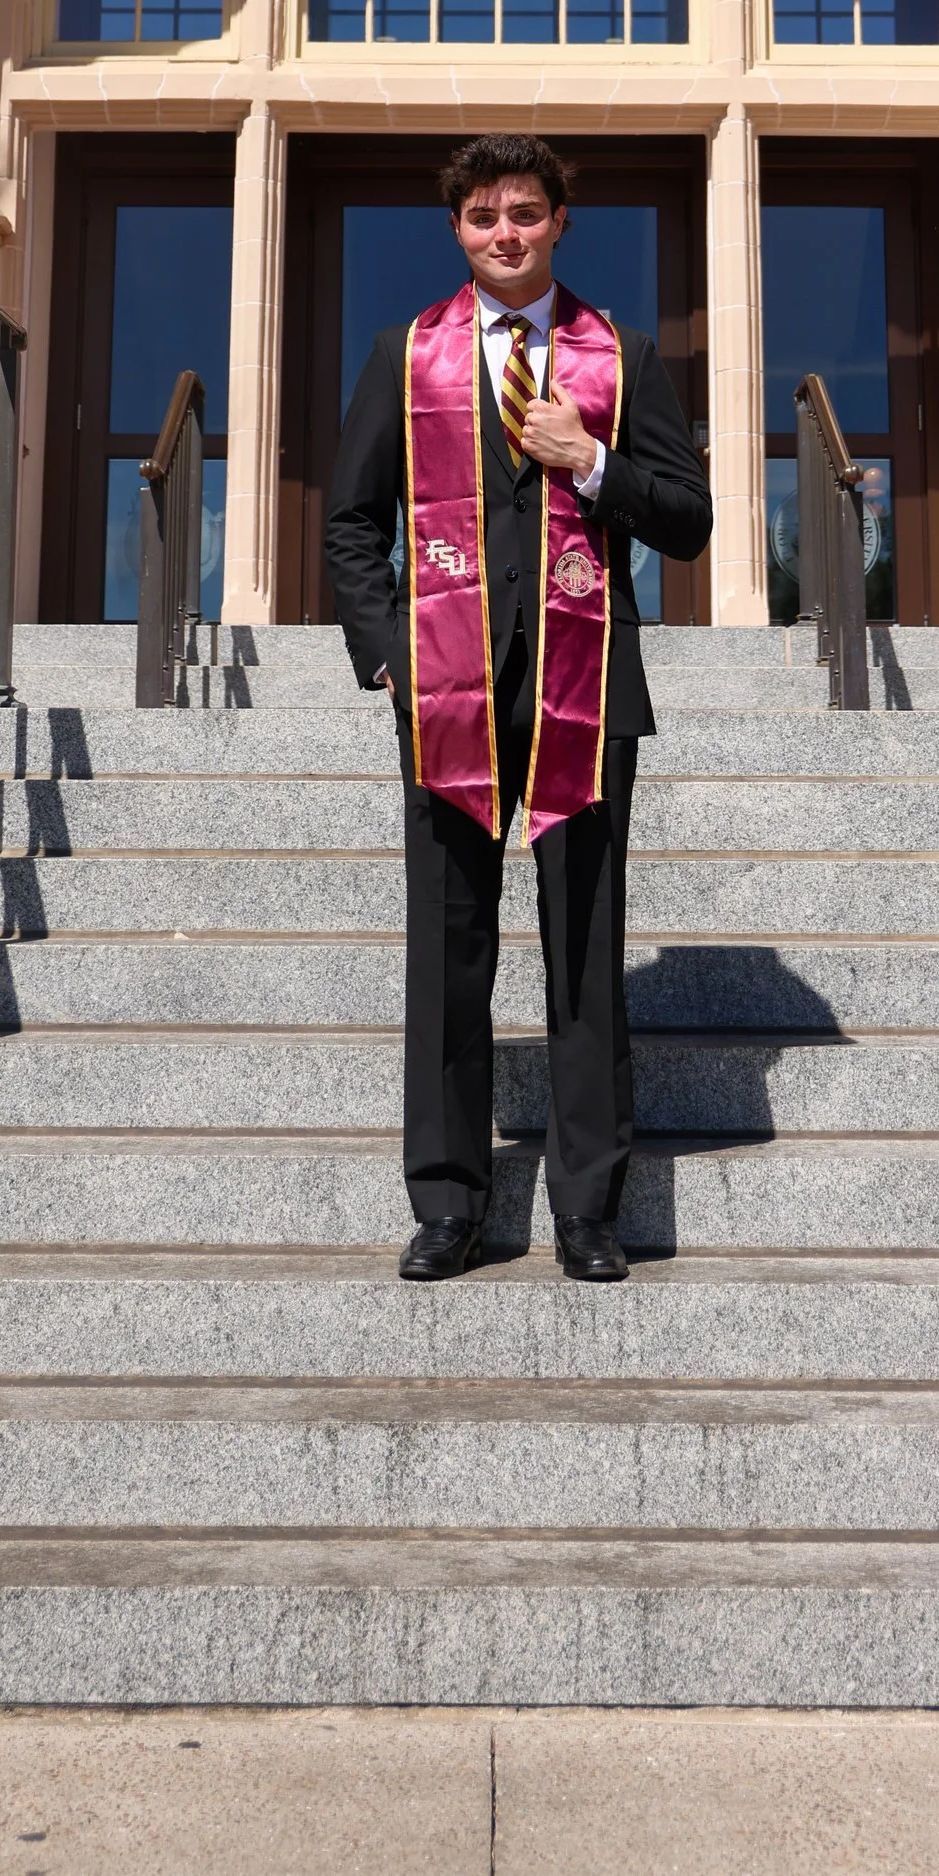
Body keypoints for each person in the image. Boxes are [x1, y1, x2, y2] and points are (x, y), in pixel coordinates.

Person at [325, 135, 714, 1283]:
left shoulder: (619, 353)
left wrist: (590, 460)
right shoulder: (406, 356)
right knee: (446, 953)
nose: (506, 231)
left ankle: (588, 1206)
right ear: (457, 228)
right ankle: (448, 1199)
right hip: (444, 688)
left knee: (583, 954)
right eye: (485, 214)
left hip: (584, 691)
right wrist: (386, 649)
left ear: (559, 223)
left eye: (526, 213)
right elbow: (352, 523)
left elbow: (687, 518)